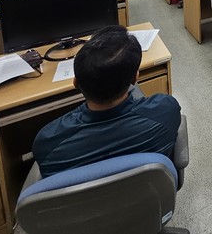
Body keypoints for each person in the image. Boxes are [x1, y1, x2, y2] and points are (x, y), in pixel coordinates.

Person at [32, 25, 182, 178]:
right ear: (135, 78)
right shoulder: (166, 112)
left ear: (75, 83)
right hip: (148, 191)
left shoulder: (47, 142)